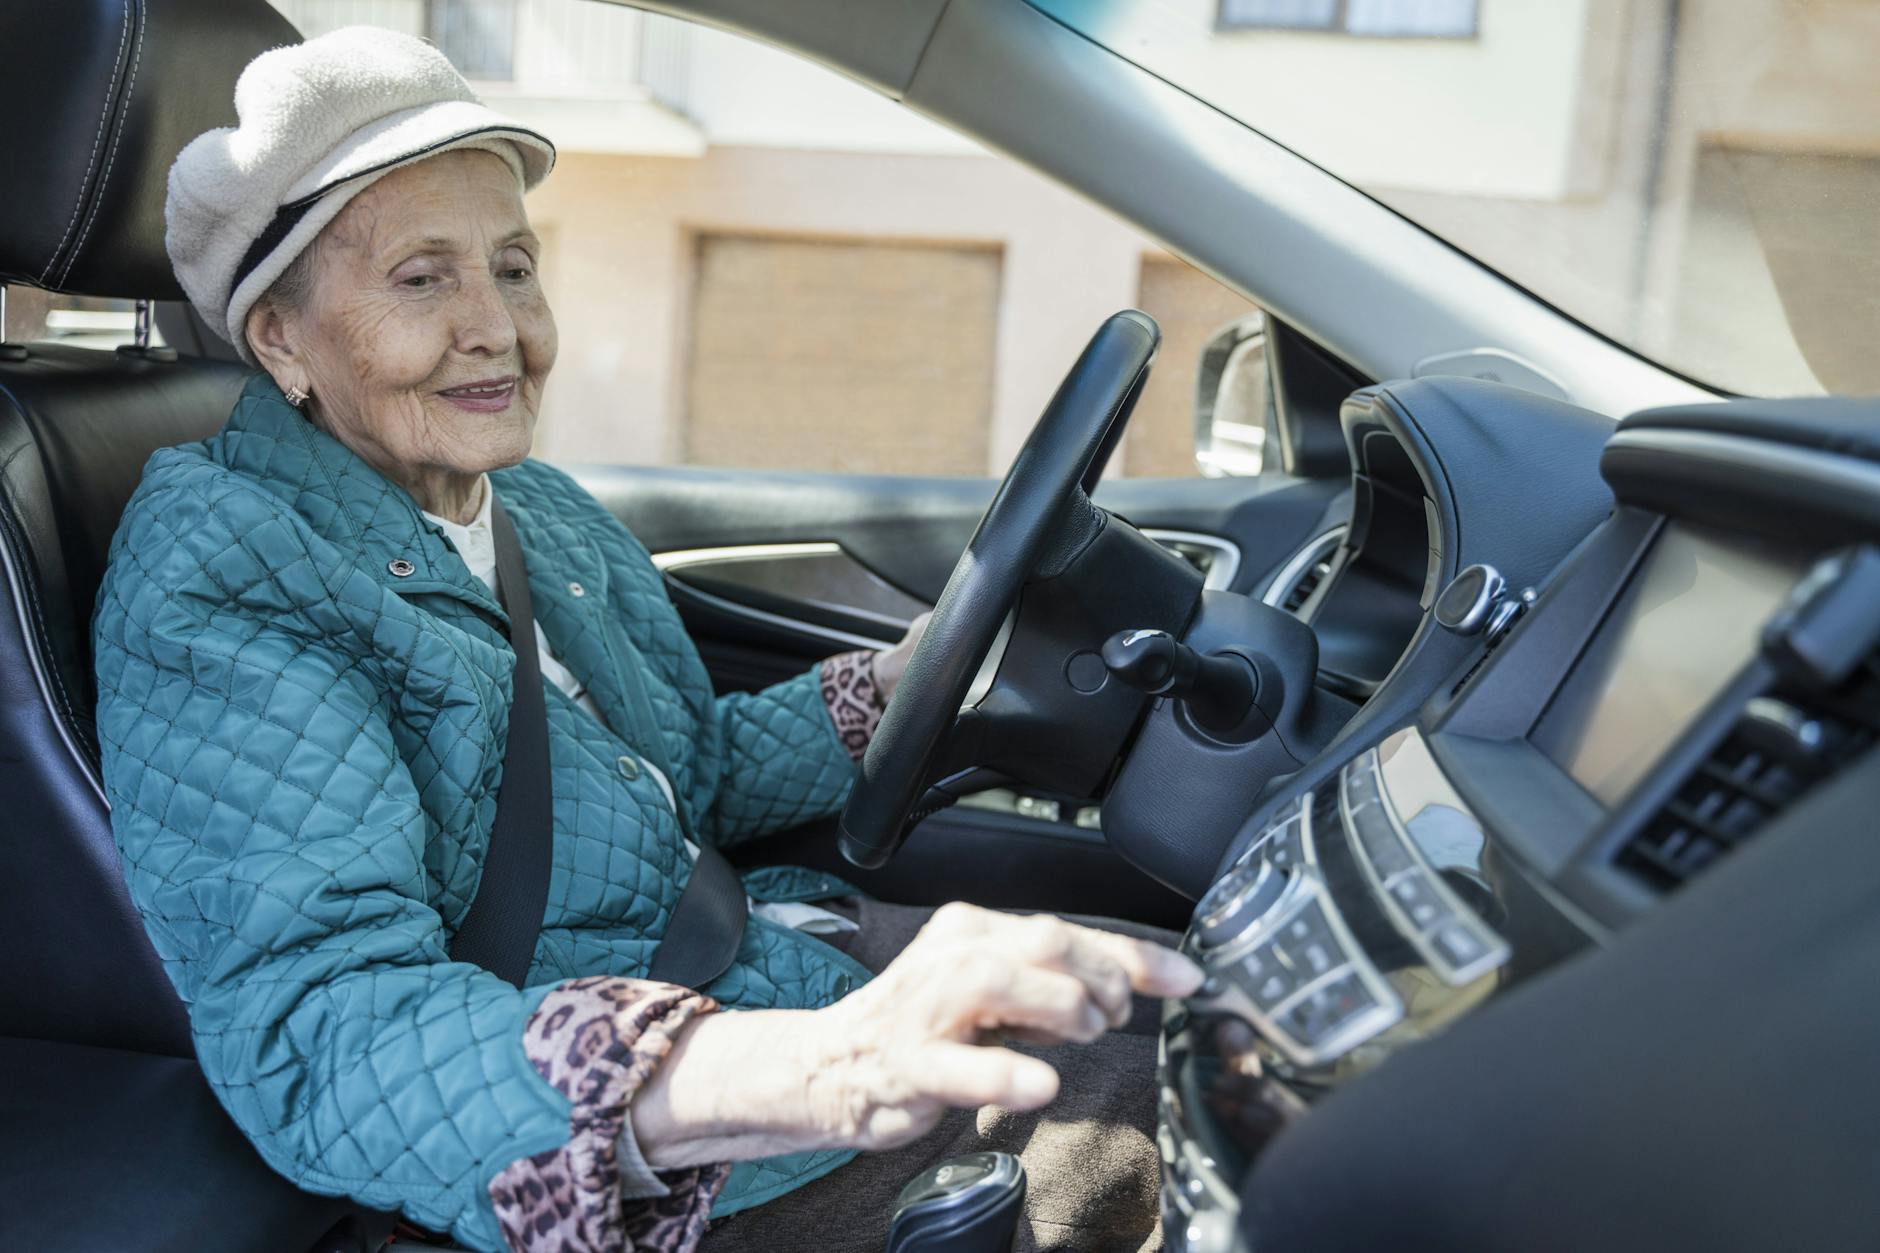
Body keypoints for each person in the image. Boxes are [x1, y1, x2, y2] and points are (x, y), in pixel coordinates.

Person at [94, 27, 1199, 1253]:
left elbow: (685, 772)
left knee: (1206, 1004)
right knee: (1197, 1113)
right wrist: (824, 1063)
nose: (496, 327)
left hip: (760, 953)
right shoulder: (223, 566)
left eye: (513, 267)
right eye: (421, 278)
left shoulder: (534, 509)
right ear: (281, 339)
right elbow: (322, 1021)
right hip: (642, 1145)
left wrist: (889, 686)